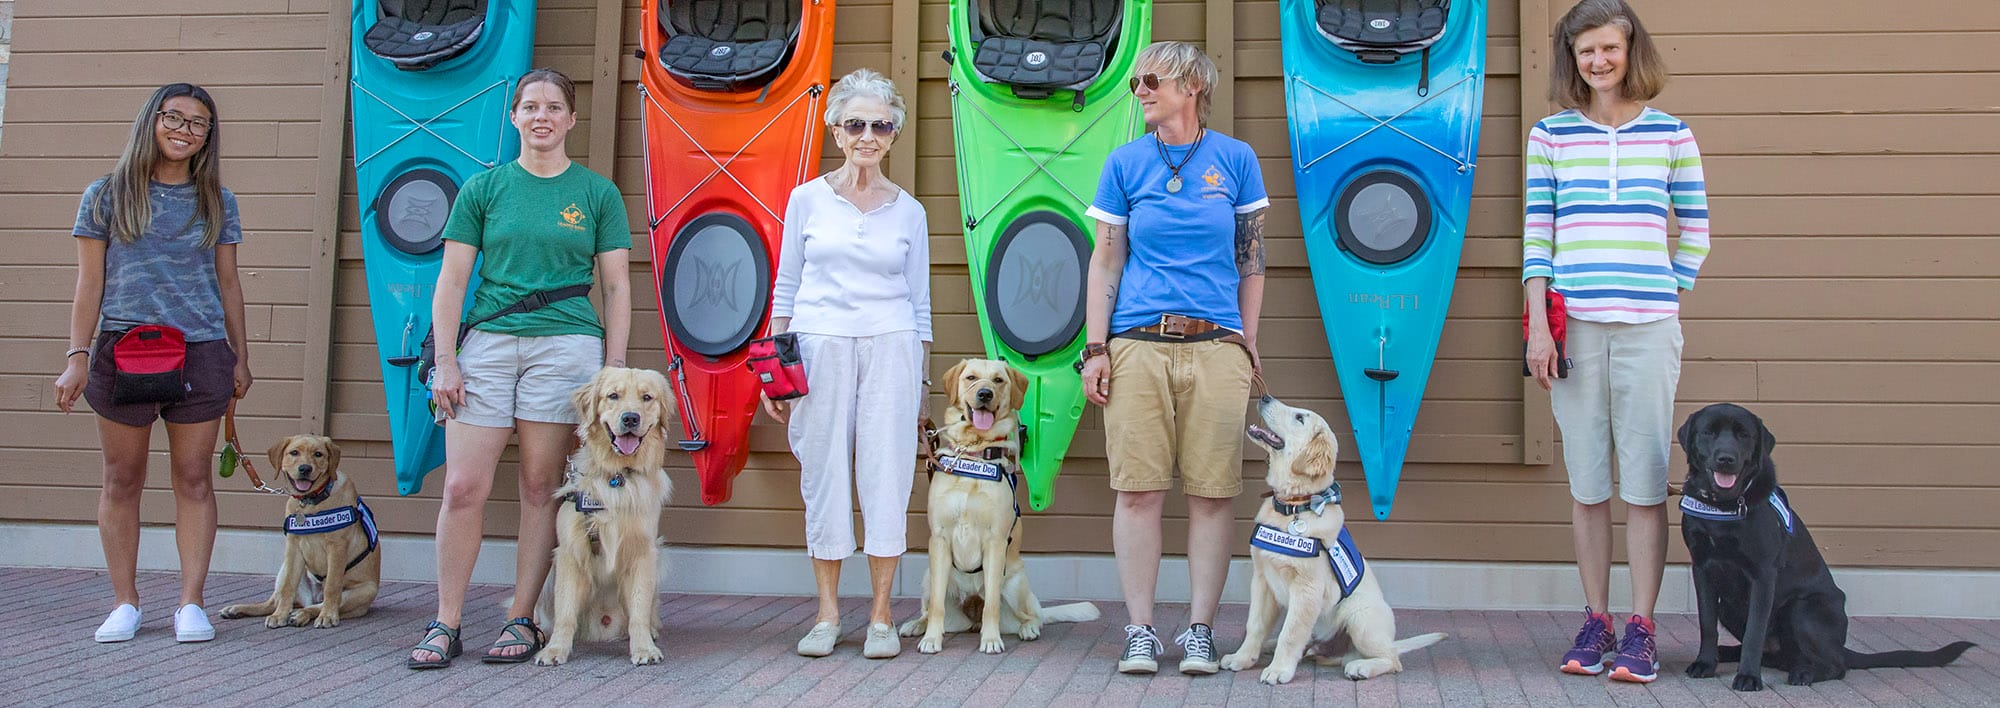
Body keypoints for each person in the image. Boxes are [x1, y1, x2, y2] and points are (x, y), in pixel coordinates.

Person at [407, 68, 633, 668]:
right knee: (462, 487)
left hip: (567, 350)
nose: (542, 116)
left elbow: (615, 286)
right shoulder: (483, 189)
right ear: (514, 116)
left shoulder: (596, 193)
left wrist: (611, 372)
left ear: (571, 119)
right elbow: (452, 279)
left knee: (539, 488)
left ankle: (521, 617)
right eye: (530, 106)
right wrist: (448, 360)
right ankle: (445, 620)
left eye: (554, 107)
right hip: (488, 344)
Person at [1523, 0, 1709, 685]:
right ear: (1572, 60)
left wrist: (1664, 291)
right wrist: (1539, 325)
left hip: (1648, 330)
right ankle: (1596, 619)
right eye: (1585, 52)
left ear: (1632, 51)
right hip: (1574, 329)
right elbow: (1537, 240)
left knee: (1644, 482)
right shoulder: (1549, 135)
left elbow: (1697, 229)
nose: (1598, 61)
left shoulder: (1672, 135)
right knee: (1589, 483)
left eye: (1609, 48)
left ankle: (1642, 629)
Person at [1080, 41, 1268, 676]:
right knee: (1137, 492)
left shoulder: (1236, 160)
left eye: (1151, 80)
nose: (1140, 91)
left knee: (1213, 494)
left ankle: (1199, 631)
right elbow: (1106, 258)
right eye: (1136, 83)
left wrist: (1246, 340)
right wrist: (1096, 348)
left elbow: (1251, 260)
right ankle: (1139, 631)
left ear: (1192, 85)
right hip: (1137, 343)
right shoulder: (1125, 163)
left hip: (1217, 346)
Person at [54, 83, 252, 645]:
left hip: (203, 351)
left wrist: (241, 355)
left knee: (193, 479)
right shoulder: (106, 195)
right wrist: (77, 356)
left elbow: (229, 282)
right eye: (174, 117)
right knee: (122, 479)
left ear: (208, 137)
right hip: (125, 350)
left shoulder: (218, 199)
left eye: (198, 123)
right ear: (152, 120)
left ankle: (191, 604)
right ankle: (125, 603)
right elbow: (89, 283)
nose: (184, 130)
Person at [763, 68, 932, 660]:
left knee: (887, 476)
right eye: (855, 123)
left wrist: (923, 385)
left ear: (894, 133)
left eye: (880, 124)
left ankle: (883, 616)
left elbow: (920, 305)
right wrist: (776, 370)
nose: (868, 134)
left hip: (891, 346)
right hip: (819, 345)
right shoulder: (805, 199)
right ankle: (828, 615)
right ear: (835, 128)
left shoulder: (910, 211)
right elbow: (786, 289)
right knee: (825, 476)